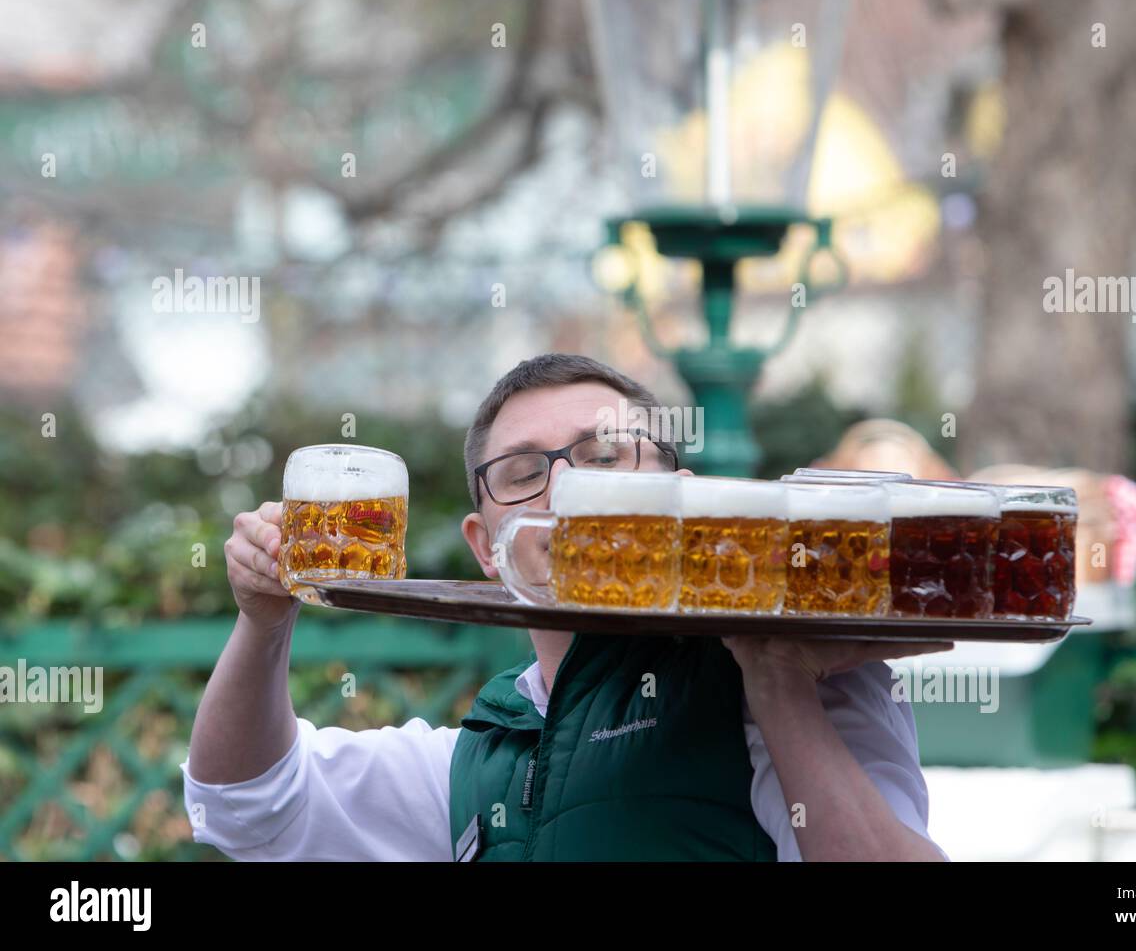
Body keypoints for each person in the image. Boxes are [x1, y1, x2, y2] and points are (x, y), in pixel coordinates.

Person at [182, 354, 952, 861]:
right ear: (487, 547)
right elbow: (245, 803)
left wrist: (776, 682)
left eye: (605, 457)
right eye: (523, 472)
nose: (566, 490)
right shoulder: (474, 761)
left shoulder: (789, 679)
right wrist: (264, 620)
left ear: (680, 497)